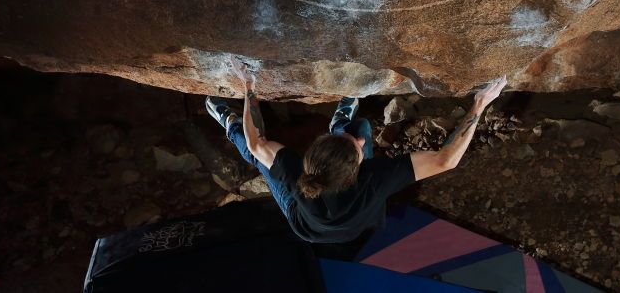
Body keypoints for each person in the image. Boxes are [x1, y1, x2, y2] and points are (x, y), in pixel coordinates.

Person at [205, 56, 507, 244]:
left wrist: (248, 86)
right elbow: (445, 160)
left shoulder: (293, 173)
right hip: (352, 227)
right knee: (360, 126)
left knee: (257, 155)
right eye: (359, 149)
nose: (363, 143)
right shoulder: (375, 181)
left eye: (354, 147)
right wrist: (478, 106)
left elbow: (257, 140)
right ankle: (341, 126)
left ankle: (228, 122)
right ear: (357, 172)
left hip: (305, 224)